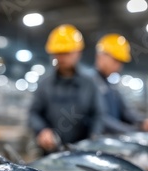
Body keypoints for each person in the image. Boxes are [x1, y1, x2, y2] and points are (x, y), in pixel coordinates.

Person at [28, 24, 104, 153]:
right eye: (58, 53)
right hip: (51, 153)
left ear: (78, 52)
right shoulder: (45, 84)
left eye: (66, 53)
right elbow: (34, 113)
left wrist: (94, 138)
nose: (61, 57)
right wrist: (42, 130)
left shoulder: (89, 84)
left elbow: (98, 115)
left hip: (83, 152)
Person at [93, 33, 148, 134]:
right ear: (101, 56)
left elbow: (125, 111)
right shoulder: (89, 84)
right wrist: (132, 130)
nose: (119, 67)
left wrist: (142, 122)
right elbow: (99, 119)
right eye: (115, 61)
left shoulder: (111, 85)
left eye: (120, 62)